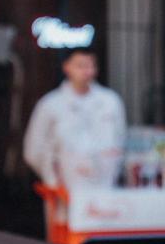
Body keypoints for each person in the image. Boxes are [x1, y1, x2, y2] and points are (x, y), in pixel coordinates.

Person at [24, 47, 126, 191]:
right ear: (67, 67)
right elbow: (34, 149)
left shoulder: (110, 101)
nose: (87, 71)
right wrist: (52, 179)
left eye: (91, 66)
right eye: (81, 66)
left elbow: (120, 140)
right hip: (64, 188)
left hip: (104, 186)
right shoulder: (50, 104)